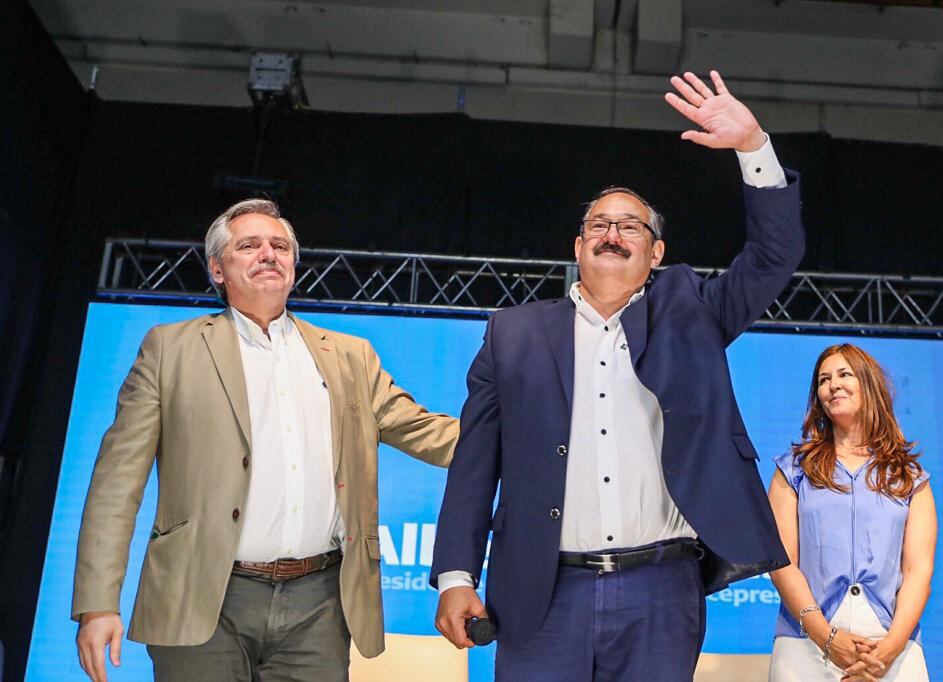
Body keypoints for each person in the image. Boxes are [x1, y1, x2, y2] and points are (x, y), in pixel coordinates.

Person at [430, 71, 804, 681]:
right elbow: (475, 464)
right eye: (599, 224)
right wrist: (454, 577)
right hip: (541, 593)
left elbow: (774, 256)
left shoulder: (694, 309)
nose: (612, 232)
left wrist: (753, 145)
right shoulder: (512, 334)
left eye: (631, 225)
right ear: (577, 247)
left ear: (655, 254)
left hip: (661, 588)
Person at [72, 199, 459, 682]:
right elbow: (116, 485)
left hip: (319, 604)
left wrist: (536, 438)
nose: (268, 254)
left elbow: (429, 432)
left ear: (294, 264)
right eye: (248, 246)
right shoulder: (169, 349)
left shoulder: (349, 356)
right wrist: (96, 605)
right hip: (203, 596)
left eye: (279, 246)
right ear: (217, 268)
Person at [767, 344, 936, 682]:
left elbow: (918, 570)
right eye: (824, 379)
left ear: (869, 386)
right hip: (805, 645)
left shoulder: (910, 477)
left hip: (891, 648)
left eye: (845, 374)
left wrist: (889, 649)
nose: (833, 385)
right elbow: (781, 560)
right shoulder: (793, 470)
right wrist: (827, 639)